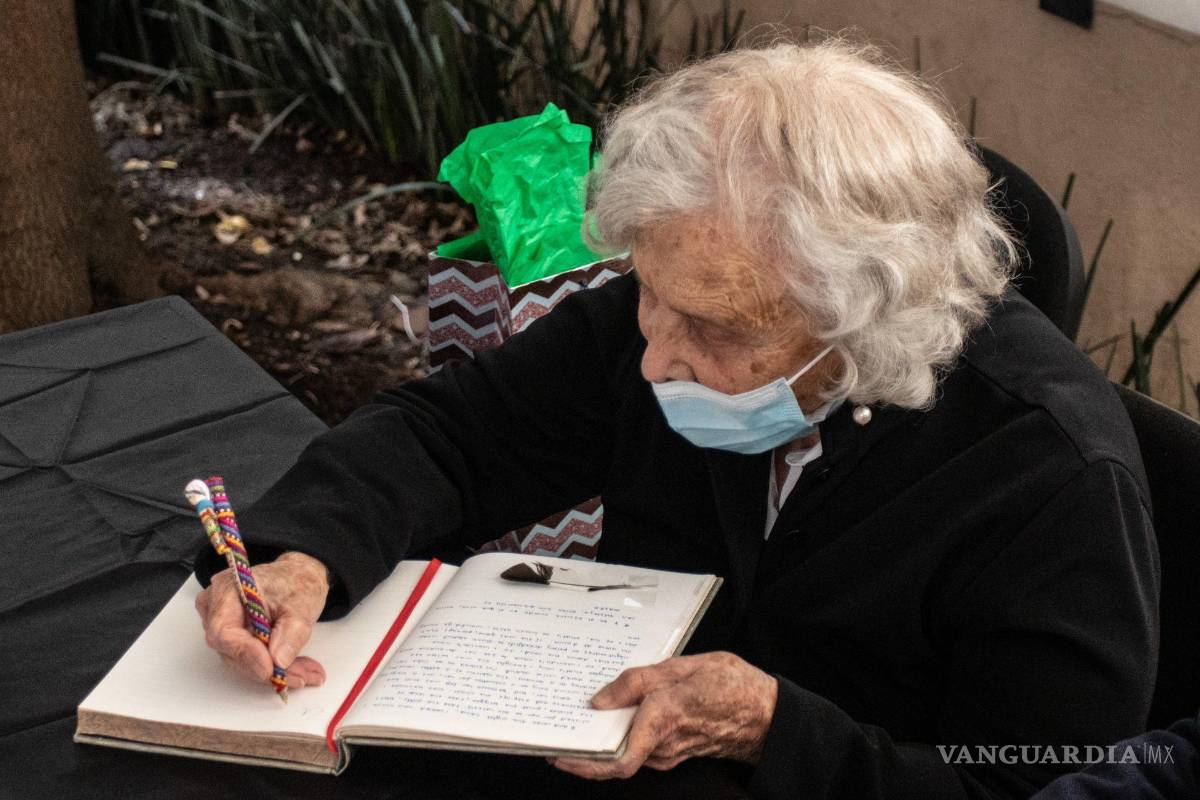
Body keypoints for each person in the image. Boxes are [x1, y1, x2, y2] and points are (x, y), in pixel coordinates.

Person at [193, 39, 1158, 799]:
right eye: (647, 294)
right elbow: (460, 433)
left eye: (709, 326)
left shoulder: (1050, 476)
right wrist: (307, 553)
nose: (655, 355)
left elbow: (1037, 782)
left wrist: (777, 730)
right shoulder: (683, 290)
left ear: (860, 317)